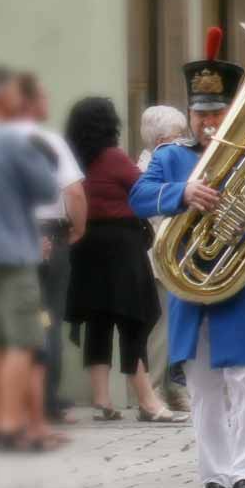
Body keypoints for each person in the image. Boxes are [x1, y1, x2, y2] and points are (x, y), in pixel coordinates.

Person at [131, 27, 245, 488]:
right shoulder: (170, 157)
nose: (208, 123)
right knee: (202, 383)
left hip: (242, 278)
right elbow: (137, 197)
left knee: (244, 378)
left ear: (231, 111)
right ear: (189, 115)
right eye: (200, 114)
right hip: (190, 283)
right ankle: (214, 476)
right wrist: (183, 194)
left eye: (216, 113)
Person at [0, 67, 61, 451]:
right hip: (14, 249)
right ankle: (9, 424)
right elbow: (46, 188)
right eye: (16, 92)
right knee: (22, 341)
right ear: (1, 96)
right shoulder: (12, 140)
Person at [62, 96, 181, 422]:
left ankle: (102, 399)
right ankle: (147, 400)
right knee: (134, 321)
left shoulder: (75, 159)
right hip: (122, 245)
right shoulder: (113, 157)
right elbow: (144, 189)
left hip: (87, 245)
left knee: (98, 322)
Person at [14, 75, 88, 423]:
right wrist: (78, 227)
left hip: (8, 240)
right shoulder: (49, 142)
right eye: (42, 96)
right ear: (30, 102)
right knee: (49, 319)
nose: (48, 102)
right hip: (50, 237)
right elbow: (73, 193)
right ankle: (46, 400)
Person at [137, 104, 192, 414]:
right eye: (177, 136)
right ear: (160, 141)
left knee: (177, 326)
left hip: (176, 258)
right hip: (159, 257)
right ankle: (153, 389)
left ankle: (174, 388)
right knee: (163, 328)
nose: (182, 141)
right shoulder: (149, 169)